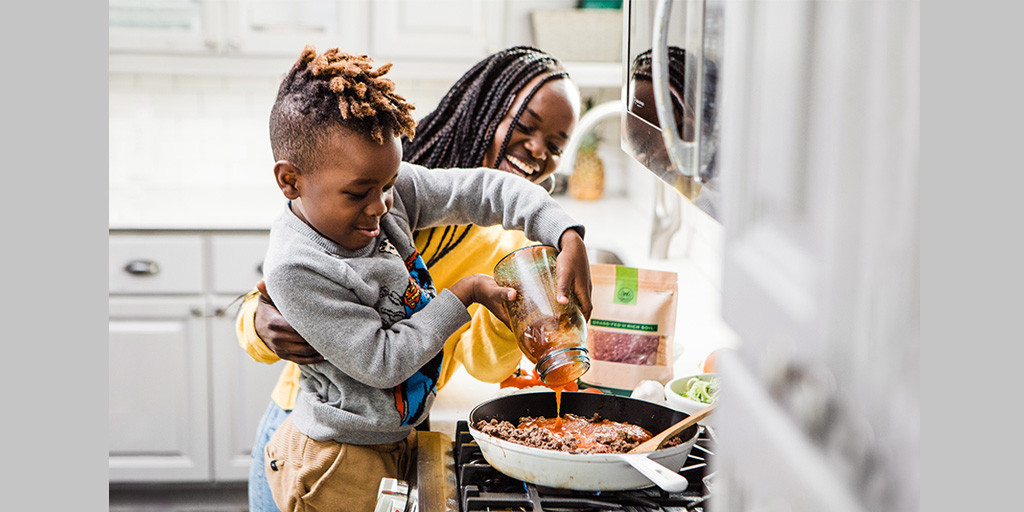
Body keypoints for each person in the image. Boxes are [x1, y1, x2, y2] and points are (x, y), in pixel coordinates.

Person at [237, 46, 583, 511]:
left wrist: (564, 231)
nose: (383, 206)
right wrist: (467, 293)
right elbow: (382, 362)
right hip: (335, 454)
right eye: (524, 126)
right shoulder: (311, 242)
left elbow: (482, 189)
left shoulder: (381, 181)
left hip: (399, 433)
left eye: (557, 144)